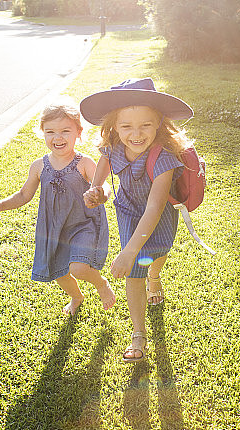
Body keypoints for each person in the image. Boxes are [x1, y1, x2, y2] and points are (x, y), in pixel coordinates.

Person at [81, 78, 194, 362]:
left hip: (158, 217)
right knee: (134, 273)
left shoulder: (164, 158)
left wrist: (129, 251)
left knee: (157, 252)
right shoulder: (113, 146)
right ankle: (139, 335)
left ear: (158, 123)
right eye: (126, 126)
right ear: (114, 127)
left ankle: (155, 276)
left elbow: (155, 208)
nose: (136, 133)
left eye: (145, 124)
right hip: (129, 213)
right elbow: (105, 166)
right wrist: (97, 189)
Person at [0, 100, 116, 316]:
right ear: (43, 133)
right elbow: (24, 194)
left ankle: (101, 284)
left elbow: (104, 184)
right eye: (51, 132)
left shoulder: (83, 163)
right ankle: (76, 297)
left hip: (83, 225)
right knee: (59, 272)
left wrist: (101, 193)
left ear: (78, 133)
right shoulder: (39, 166)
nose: (58, 137)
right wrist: (0, 205)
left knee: (78, 268)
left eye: (65, 131)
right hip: (54, 229)